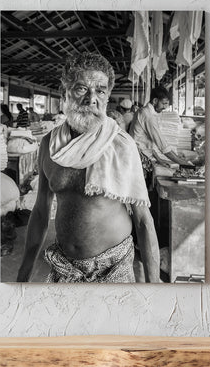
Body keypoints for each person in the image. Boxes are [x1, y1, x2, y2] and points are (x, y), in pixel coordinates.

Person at [17, 52, 160, 283]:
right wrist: (24, 272)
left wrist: (155, 285)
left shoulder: (121, 145)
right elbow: (41, 211)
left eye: (100, 91)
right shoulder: (50, 145)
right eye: (81, 89)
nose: (92, 98)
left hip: (114, 266)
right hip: (65, 265)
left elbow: (143, 220)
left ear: (107, 97)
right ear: (65, 93)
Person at [129, 86, 192, 166]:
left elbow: (146, 145)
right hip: (138, 158)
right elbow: (162, 145)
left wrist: (159, 160)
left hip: (139, 154)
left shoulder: (144, 111)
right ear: (155, 100)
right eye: (164, 103)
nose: (165, 107)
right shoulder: (148, 116)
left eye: (167, 104)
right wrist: (182, 162)